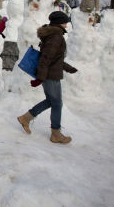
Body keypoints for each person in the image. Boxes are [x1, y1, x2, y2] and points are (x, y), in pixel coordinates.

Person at [17, 11, 78, 144]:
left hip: (50, 74)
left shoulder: (54, 35)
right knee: (56, 103)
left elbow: (55, 58)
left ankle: (26, 118)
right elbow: (45, 59)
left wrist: (68, 68)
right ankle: (55, 133)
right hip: (50, 75)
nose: (66, 26)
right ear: (59, 22)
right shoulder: (56, 37)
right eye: (65, 22)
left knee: (52, 101)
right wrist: (40, 78)